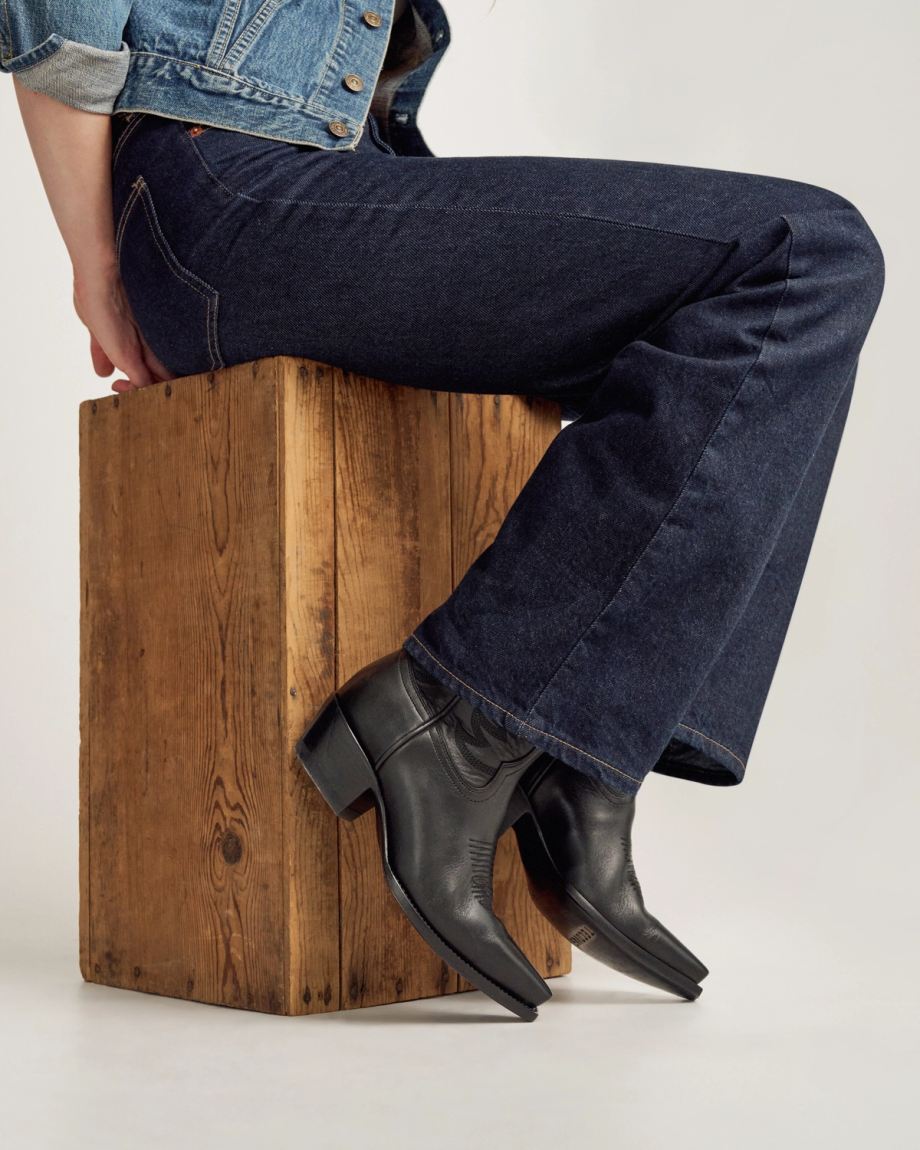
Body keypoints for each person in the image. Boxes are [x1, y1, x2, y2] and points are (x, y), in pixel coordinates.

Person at [5, 1, 884, 1021]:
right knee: (797, 254)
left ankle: (578, 764)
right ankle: (451, 720)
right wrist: (98, 269)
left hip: (339, 174)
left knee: (766, 305)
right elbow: (59, 18)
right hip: (229, 186)